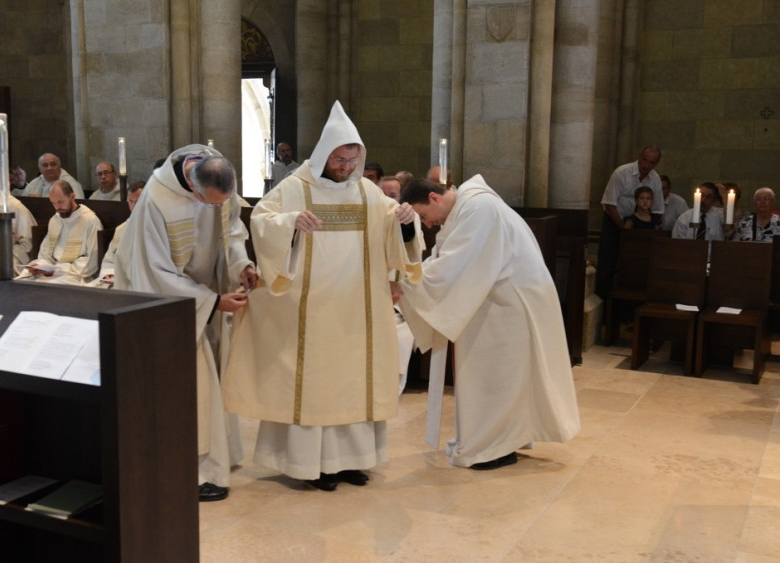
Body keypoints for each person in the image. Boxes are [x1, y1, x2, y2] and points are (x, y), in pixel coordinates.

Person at [222, 101, 424, 492]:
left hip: (357, 310)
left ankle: (351, 461)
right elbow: (262, 220)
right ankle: (312, 466)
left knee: (354, 383)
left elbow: (396, 230)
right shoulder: (295, 188)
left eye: (352, 160)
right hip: (308, 311)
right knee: (314, 386)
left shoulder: (366, 192)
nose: (346, 167)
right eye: (339, 159)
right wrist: (290, 223)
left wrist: (405, 222)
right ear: (324, 155)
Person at [397, 177, 580, 469]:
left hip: (509, 305)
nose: (427, 224)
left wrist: (408, 282)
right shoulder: (467, 207)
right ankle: (500, 439)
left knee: (497, 378)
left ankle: (492, 447)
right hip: (498, 301)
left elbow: (455, 265)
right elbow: (446, 257)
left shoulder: (478, 208)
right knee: (502, 377)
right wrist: (412, 278)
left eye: (423, 215)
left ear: (434, 198)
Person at [114, 146, 257, 502]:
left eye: (220, 203)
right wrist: (211, 302)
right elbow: (153, 271)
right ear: (193, 186)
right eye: (209, 203)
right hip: (166, 305)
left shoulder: (217, 183)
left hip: (204, 297)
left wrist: (241, 265)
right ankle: (195, 472)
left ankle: (220, 458)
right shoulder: (156, 201)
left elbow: (232, 231)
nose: (214, 209)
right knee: (195, 387)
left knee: (212, 382)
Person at [595, 145, 663, 299]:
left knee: (635, 266)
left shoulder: (655, 179)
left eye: (651, 163)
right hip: (615, 221)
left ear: (657, 163)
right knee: (608, 263)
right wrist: (624, 230)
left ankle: (630, 303)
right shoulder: (622, 173)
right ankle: (603, 302)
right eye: (644, 160)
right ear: (639, 156)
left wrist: (649, 228)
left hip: (641, 227)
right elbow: (609, 204)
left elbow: (658, 209)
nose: (646, 165)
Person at [17, 180, 103, 284]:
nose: (57, 207)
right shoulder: (55, 220)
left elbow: (92, 260)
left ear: (72, 197)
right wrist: (40, 266)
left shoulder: (90, 221)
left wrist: (58, 270)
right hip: (54, 271)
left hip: (76, 275)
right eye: (53, 203)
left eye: (60, 202)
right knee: (25, 278)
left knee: (51, 285)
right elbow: (45, 253)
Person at [88, 180, 145, 288]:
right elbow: (109, 261)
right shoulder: (121, 229)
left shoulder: (155, 229)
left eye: (138, 202)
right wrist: (110, 275)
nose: (133, 206)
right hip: (118, 282)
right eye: (131, 201)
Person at [18, 153, 85, 198]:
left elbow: (78, 205)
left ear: (59, 166)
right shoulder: (34, 183)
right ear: (40, 169)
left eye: (53, 164)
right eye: (45, 165)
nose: (49, 168)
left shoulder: (71, 184)